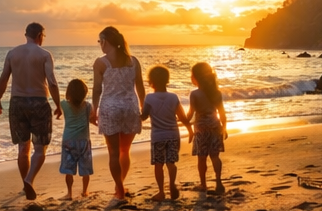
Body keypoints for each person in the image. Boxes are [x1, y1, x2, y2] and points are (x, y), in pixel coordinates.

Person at [0, 22, 63, 201]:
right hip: (39, 103)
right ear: (40, 35)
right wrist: (58, 105)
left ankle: (25, 184)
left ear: (26, 35)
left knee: (23, 148)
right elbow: (52, 82)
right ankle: (29, 179)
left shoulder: (12, 54)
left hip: (17, 103)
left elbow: (3, 79)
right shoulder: (45, 55)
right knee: (40, 148)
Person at [91, 26, 144, 200]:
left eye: (100, 41)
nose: (100, 45)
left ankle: (119, 189)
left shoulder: (101, 63)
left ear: (105, 41)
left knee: (113, 152)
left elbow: (97, 89)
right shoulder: (133, 61)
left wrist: (93, 109)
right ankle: (119, 185)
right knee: (124, 151)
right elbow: (140, 88)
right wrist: (144, 108)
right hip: (130, 108)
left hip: (110, 109)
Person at [141, 64, 193, 201]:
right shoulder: (173, 97)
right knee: (171, 163)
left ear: (151, 82)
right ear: (167, 80)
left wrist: (131, 117)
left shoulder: (149, 98)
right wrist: (190, 130)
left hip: (158, 136)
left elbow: (144, 116)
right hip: (173, 135)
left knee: (158, 164)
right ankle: (172, 184)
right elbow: (182, 117)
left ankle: (161, 192)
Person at [188, 62, 227, 193]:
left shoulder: (194, 94)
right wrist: (224, 128)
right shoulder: (216, 92)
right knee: (215, 156)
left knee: (202, 157)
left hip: (201, 127)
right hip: (215, 125)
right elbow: (222, 113)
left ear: (196, 77)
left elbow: (190, 114)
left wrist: (179, 120)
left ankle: (203, 184)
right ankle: (219, 183)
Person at [59, 78, 93, 199]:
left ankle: (69, 193)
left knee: (68, 169)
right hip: (84, 141)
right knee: (85, 168)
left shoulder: (64, 104)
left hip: (68, 141)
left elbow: (58, 109)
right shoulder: (88, 106)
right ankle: (85, 191)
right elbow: (93, 119)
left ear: (69, 93)